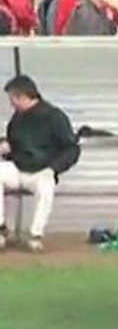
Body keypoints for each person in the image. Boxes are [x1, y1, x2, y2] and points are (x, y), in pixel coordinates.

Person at [0, 75, 80, 251]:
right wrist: (7, 147)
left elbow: (71, 149)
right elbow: (15, 143)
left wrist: (54, 168)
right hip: (18, 167)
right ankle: (2, 230)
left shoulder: (55, 117)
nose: (11, 104)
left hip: (42, 170)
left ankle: (35, 235)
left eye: (12, 99)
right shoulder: (17, 118)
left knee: (46, 186)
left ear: (23, 97)